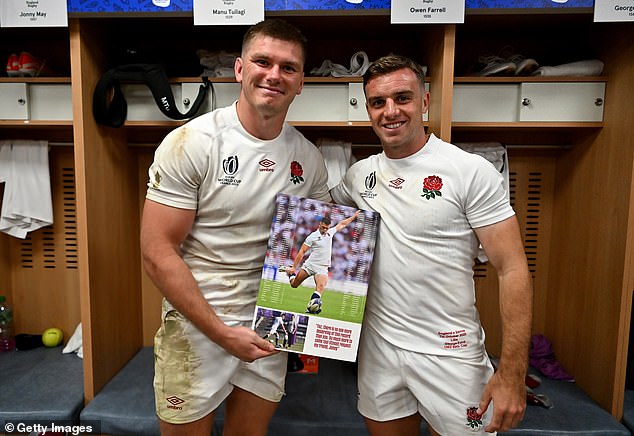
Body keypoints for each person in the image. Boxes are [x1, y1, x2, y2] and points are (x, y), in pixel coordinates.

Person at [140, 19, 330, 436]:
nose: (274, 75)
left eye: (289, 67)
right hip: (198, 323)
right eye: (263, 62)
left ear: (301, 82)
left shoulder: (309, 159)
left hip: (269, 323)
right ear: (240, 69)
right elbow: (157, 253)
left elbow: (317, 242)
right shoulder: (193, 143)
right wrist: (222, 332)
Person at [330, 54, 533, 435]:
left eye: (402, 98)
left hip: (451, 354)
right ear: (368, 109)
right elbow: (320, 222)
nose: (390, 111)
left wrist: (512, 373)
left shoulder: (469, 171)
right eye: (378, 102)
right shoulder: (359, 176)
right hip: (379, 352)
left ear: (424, 102)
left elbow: (512, 269)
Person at [282, 210, 360, 313]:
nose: (325, 230)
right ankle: (291, 274)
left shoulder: (330, 232)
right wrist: (294, 267)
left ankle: (310, 309)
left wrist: (354, 216)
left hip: (322, 267)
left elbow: (342, 224)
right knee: (294, 284)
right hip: (310, 265)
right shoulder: (312, 237)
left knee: (321, 287)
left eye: (327, 228)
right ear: (320, 225)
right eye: (323, 227)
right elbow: (302, 251)